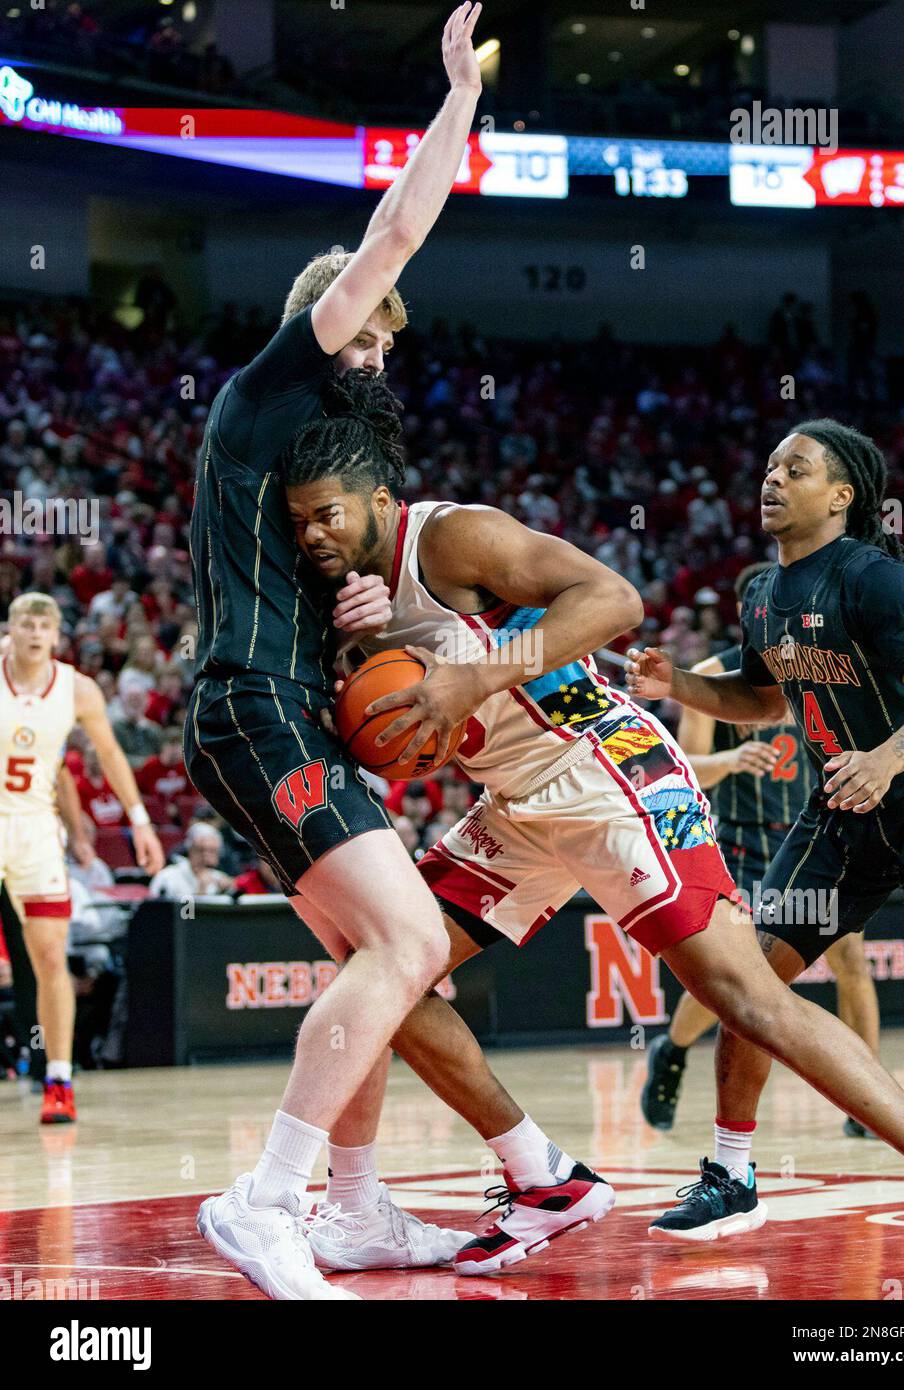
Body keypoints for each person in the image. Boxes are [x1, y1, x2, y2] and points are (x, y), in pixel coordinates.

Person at [282, 396, 904, 1277]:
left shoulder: (450, 537)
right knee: (382, 973)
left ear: (380, 500)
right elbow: (759, 696)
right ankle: (544, 1177)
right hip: (516, 806)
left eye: (327, 513)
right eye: (299, 519)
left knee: (750, 996)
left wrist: (472, 680)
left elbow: (615, 600)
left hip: (610, 772)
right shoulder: (345, 595)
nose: (311, 533)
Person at [185, 3, 487, 1301]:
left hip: (289, 705)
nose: (376, 357)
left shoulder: (317, 480)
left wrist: (362, 613)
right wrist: (457, 98)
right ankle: (268, 1198)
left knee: (379, 952)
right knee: (412, 941)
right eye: (365, 335)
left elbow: (343, 606)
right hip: (253, 707)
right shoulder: (271, 387)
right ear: (325, 323)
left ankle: (355, 1208)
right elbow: (396, 229)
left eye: (384, 346)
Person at [627, 419, 904, 1247]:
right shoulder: (760, 590)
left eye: (798, 468)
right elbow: (760, 699)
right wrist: (672, 681)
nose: (773, 479)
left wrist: (888, 759)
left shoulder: (876, 580)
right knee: (748, 987)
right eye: (772, 465)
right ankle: (733, 1174)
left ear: (842, 496)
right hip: (838, 814)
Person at [642, 561, 880, 1138]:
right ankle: (672, 1049)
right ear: (754, 620)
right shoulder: (712, 675)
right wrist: (727, 760)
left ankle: (865, 1099)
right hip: (742, 838)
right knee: (740, 976)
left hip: (814, 832)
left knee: (851, 961)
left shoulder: (825, 672)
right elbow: (681, 765)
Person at [0, 593, 164, 1123]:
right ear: (11, 627)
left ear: (55, 636)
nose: (32, 633)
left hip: (34, 831)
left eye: (43, 626)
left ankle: (59, 1080)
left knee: (50, 958)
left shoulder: (77, 688)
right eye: (24, 623)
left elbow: (111, 755)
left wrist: (139, 821)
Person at [148, 821, 233, 899]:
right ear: (190, 849)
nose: (206, 856)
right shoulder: (167, 877)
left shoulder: (219, 878)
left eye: (213, 851)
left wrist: (226, 892)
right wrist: (201, 892)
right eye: (201, 850)